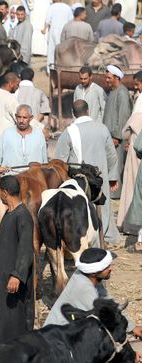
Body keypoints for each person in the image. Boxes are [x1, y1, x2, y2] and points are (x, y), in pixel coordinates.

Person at [54, 99, 121, 245]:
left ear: (73, 113)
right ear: (88, 111)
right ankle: (101, 243)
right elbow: (112, 156)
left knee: (81, 211)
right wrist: (112, 178)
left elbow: (59, 161)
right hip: (100, 179)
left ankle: (83, 244)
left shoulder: (69, 132)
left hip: (79, 181)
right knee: (101, 209)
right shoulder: (102, 128)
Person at [0, 175, 35, 341]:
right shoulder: (9, 213)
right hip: (0, 274)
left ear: (5, 192)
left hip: (12, 278)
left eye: (0, 192)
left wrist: (17, 275)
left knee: (13, 316)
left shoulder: (22, 215)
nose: (0, 196)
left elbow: (25, 248)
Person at [44, 248, 142, 339]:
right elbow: (107, 320)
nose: (111, 268)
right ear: (93, 272)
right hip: (58, 340)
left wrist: (132, 327)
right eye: (106, 266)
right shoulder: (84, 288)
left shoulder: (89, 277)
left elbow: (109, 303)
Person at [103, 64, 132, 199]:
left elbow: (123, 117)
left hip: (117, 139)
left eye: (109, 77)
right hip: (110, 138)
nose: (107, 80)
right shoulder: (112, 92)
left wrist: (117, 136)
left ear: (116, 77)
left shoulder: (122, 93)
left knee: (118, 165)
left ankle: (116, 195)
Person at [43, 0, 72, 71]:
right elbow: (70, 21)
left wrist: (44, 29)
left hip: (53, 31)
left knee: (51, 51)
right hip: (64, 32)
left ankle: (50, 70)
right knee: (63, 51)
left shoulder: (51, 7)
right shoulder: (67, 7)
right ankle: (63, 69)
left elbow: (47, 20)